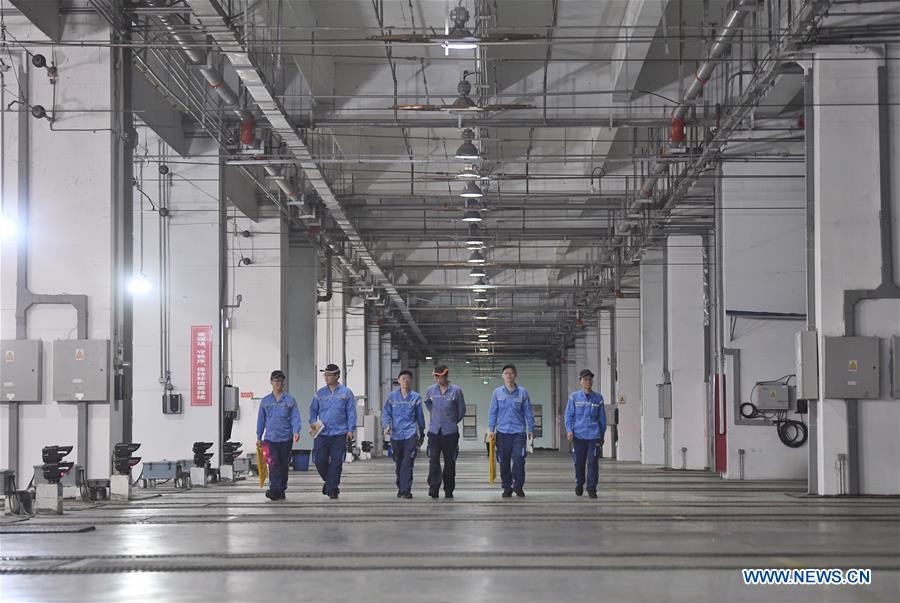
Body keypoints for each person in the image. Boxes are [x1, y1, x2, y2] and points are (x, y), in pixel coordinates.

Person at [309, 363, 357, 499]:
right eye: (325, 375)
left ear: (337, 376)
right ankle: (330, 482)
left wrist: (350, 429)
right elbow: (313, 410)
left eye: (329, 375)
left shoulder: (346, 393)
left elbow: (351, 412)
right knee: (319, 460)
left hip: (339, 433)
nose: (326, 377)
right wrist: (313, 424)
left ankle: (332, 489)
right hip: (321, 433)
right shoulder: (320, 393)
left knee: (336, 462)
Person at [488, 364, 535, 498]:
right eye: (506, 373)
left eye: (511, 373)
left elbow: (528, 412)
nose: (509, 375)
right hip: (502, 433)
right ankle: (507, 487)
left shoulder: (523, 392)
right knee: (504, 461)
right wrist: (491, 430)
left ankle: (518, 486)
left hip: (518, 432)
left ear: (515, 375)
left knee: (519, 459)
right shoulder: (497, 392)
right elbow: (493, 412)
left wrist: (531, 429)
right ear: (503, 376)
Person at [256, 370, 301, 501]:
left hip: (286, 438)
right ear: (271, 382)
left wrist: (296, 432)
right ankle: (275, 489)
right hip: (269, 439)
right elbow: (261, 420)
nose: (278, 383)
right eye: (276, 381)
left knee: (283, 464)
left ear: (284, 382)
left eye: (281, 381)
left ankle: (281, 489)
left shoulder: (290, 400)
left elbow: (295, 417)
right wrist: (258, 437)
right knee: (273, 463)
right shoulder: (265, 401)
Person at [423, 365, 467, 499]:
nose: (437, 378)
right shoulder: (431, 390)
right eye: (435, 376)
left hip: (450, 433)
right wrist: (434, 414)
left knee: (450, 462)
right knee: (433, 459)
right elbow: (427, 403)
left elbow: (462, 410)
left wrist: (452, 421)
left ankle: (448, 489)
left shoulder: (456, 391)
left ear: (446, 375)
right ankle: (434, 488)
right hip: (434, 431)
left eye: (439, 376)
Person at [382, 369, 426, 499]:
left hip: (410, 434)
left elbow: (420, 416)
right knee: (399, 462)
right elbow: (386, 413)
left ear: (410, 381)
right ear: (398, 381)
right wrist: (386, 426)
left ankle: (406, 489)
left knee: (408, 462)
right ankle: (401, 486)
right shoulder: (392, 397)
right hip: (396, 435)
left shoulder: (416, 397)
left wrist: (422, 432)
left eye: (407, 378)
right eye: (403, 379)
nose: (405, 381)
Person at [564, 369, 607, 499]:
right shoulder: (574, 397)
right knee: (579, 462)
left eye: (590, 379)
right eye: (585, 379)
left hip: (593, 436)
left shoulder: (598, 398)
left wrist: (602, 435)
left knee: (593, 462)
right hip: (578, 436)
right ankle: (579, 483)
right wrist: (569, 430)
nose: (588, 381)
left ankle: (591, 488)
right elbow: (569, 415)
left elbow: (602, 419)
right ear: (580, 381)